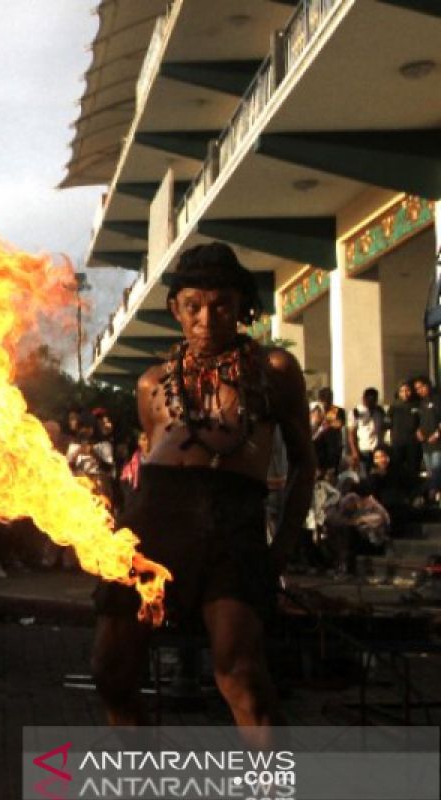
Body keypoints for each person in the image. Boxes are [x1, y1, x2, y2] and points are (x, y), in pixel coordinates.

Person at [91, 242, 315, 747]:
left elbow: (304, 464)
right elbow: (151, 462)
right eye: (194, 306)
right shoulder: (152, 383)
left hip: (231, 525)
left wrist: (281, 549)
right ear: (176, 310)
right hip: (153, 524)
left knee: (241, 676)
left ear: (241, 308)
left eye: (221, 305)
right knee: (111, 670)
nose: (206, 318)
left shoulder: (274, 371)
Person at [388, 380, 421, 498]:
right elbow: (388, 423)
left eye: (407, 390)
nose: (405, 393)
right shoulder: (394, 406)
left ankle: (414, 496)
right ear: (399, 392)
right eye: (402, 391)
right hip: (398, 442)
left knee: (413, 470)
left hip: (413, 443)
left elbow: (422, 422)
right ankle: (399, 496)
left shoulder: (417, 404)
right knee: (397, 470)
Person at [413, 376, 441, 505]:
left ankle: (433, 494)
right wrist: (418, 431)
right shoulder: (421, 403)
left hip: (437, 443)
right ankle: (434, 497)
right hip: (425, 444)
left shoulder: (437, 399)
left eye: (421, 387)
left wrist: (437, 433)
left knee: (436, 470)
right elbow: (420, 421)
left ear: (427, 385)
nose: (419, 391)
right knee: (430, 472)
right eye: (417, 389)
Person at [347, 387, 386, 476]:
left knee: (379, 475)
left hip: (378, 449)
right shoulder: (356, 412)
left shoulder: (379, 411)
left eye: (373, 400)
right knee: (364, 476)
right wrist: (354, 452)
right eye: (369, 400)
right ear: (364, 399)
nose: (370, 402)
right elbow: (351, 433)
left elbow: (384, 427)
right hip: (363, 449)